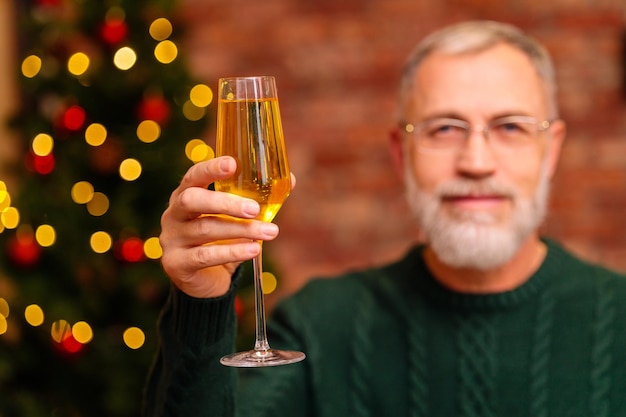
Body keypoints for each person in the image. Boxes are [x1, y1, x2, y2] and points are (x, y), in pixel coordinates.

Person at [143, 20, 626, 417]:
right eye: (445, 128)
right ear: (401, 153)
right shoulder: (317, 325)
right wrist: (200, 304)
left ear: (551, 149)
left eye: (511, 127)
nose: (476, 161)